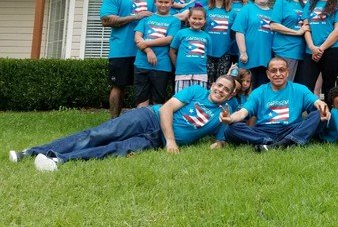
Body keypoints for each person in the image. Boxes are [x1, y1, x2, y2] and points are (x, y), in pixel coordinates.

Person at [9, 75, 240, 172]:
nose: (220, 90)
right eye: (218, 85)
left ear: (230, 96)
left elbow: (220, 141)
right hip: (149, 117)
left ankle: (57, 159)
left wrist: (220, 141)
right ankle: (29, 152)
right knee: (99, 134)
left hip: (153, 140)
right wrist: (171, 141)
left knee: (114, 149)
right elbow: (168, 109)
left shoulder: (224, 114)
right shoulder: (196, 91)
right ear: (212, 85)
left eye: (225, 90)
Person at [220, 57, 331, 152]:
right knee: (231, 129)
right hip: (264, 132)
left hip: (291, 129)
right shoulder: (259, 92)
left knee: (318, 114)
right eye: (273, 71)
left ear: (287, 72)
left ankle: (284, 142)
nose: (278, 74)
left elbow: (317, 102)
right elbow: (243, 113)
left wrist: (324, 109)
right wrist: (230, 118)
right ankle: (280, 143)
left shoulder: (299, 89)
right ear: (268, 74)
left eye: (282, 70)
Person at [100, 0, 155, 118]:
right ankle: (114, 121)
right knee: (119, 85)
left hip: (146, 49)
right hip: (121, 49)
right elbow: (105, 20)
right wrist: (136, 16)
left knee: (148, 87)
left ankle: (145, 120)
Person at [297, 0, 338, 99]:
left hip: (332, 50)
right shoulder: (311, 4)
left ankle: (328, 117)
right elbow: (305, 26)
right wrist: (312, 47)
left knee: (328, 87)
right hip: (311, 50)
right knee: (306, 85)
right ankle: (313, 117)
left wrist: (321, 49)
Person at [133, 0, 182, 107]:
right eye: (160, 2)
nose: (163, 5)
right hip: (141, 64)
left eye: (166, 2)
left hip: (162, 66)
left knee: (158, 100)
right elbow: (137, 37)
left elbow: (169, 39)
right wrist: (148, 50)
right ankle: (142, 124)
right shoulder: (146, 19)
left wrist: (146, 44)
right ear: (155, 2)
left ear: (172, 3)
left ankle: (156, 124)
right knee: (141, 98)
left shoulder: (174, 21)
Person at [233, 0, 275, 88]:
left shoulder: (274, 13)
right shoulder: (247, 9)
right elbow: (239, 31)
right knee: (246, 89)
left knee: (263, 90)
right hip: (249, 58)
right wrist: (243, 52)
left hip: (267, 60)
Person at [270, 0, 309, 81]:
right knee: (283, 85)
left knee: (295, 89)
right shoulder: (281, 1)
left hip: (301, 52)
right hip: (285, 50)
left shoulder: (303, 5)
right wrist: (296, 32)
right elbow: (274, 25)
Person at [170, 5, 213, 92]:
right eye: (194, 18)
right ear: (188, 18)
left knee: (198, 100)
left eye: (200, 19)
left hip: (201, 75)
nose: (197, 21)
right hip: (182, 74)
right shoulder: (181, 33)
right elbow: (172, 51)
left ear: (204, 20)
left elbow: (208, 56)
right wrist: (178, 66)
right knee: (180, 99)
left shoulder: (207, 37)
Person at [206, 0, 234, 85]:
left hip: (225, 53)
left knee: (222, 84)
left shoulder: (232, 13)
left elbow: (235, 34)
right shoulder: (205, 10)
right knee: (208, 84)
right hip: (207, 53)